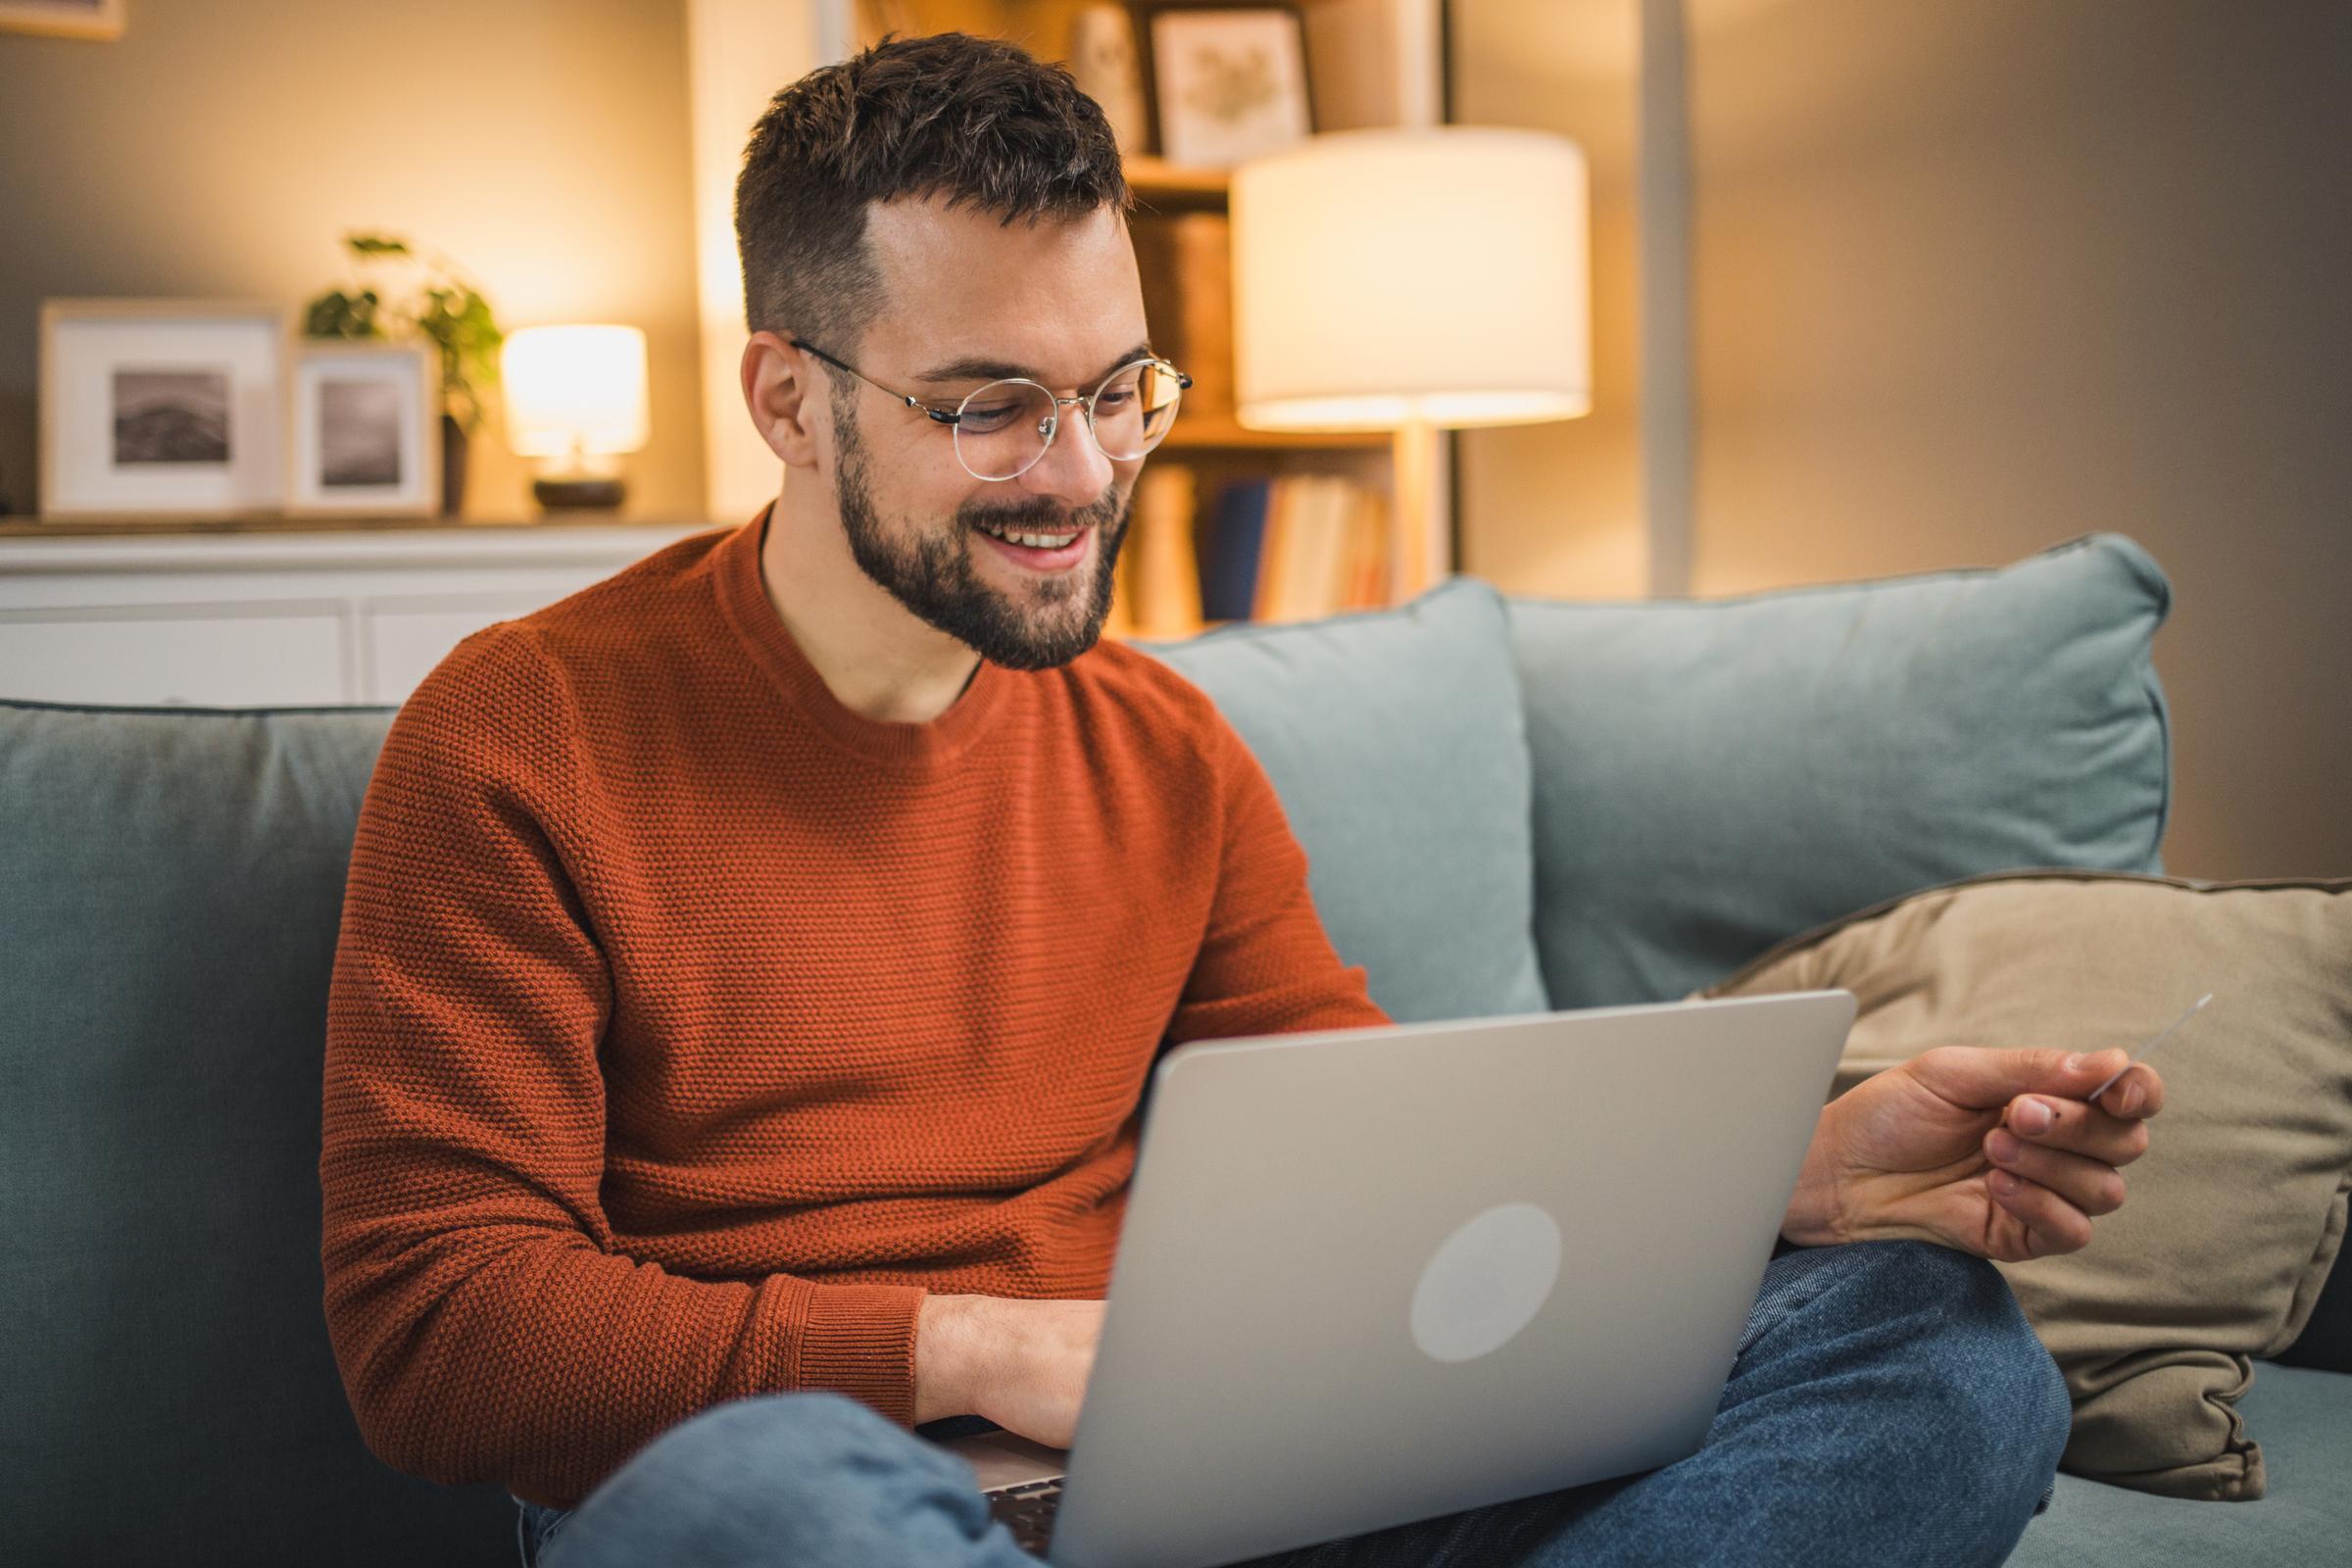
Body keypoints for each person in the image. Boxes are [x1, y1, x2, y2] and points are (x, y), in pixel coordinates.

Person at [318, 30, 2166, 1568]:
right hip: (862, 1490)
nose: (1081, 474)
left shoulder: (1160, 747)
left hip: (1230, 1476)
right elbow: (440, 1333)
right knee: (761, 1508)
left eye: (1118, 390)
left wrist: (1803, 1170)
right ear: (790, 401)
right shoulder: (522, 736)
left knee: (1936, 1354)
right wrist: (978, 1349)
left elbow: (1371, 1167)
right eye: (989, 406)